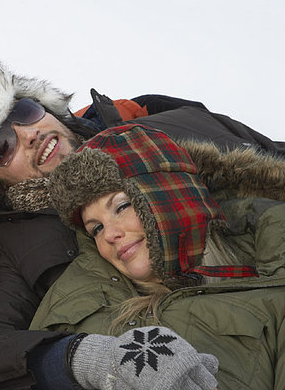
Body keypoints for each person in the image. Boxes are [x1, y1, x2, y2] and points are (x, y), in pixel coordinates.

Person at [0, 51, 285, 388]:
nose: (30, 134)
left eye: (23, 111)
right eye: (1, 144)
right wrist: (86, 359)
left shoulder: (174, 122)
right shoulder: (24, 242)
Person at [28, 123, 285, 389]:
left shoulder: (272, 285)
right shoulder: (78, 300)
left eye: (122, 206)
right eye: (97, 228)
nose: (109, 235)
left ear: (171, 194)